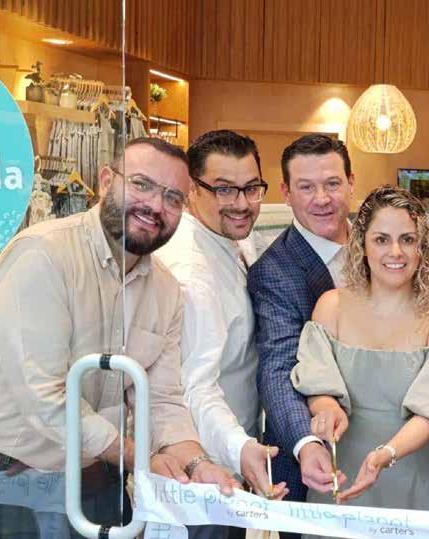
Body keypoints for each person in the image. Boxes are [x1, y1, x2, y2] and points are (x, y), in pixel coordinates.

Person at [0, 138, 239, 537]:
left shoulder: (166, 290)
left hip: (93, 478)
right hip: (1, 480)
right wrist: (137, 457)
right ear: (106, 181)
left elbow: (162, 398)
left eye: (173, 198)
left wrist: (196, 463)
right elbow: (44, 395)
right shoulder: (42, 256)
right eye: (141, 184)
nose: (155, 206)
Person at [290, 186, 429, 516]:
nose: (395, 252)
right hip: (343, 478)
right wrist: (326, 407)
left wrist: (386, 454)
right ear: (362, 245)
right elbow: (317, 383)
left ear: (422, 247)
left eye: (407, 239)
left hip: (424, 485)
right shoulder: (331, 307)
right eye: (382, 239)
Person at [155, 131, 288, 505]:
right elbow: (192, 386)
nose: (242, 204)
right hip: (202, 475)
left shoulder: (229, 237)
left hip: (229, 460)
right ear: (192, 189)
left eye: (251, 188)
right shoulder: (192, 273)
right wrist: (239, 448)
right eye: (225, 190)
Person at [247, 135, 354, 528]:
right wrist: (306, 442)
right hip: (315, 458)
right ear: (286, 193)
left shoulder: (381, 246)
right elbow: (278, 369)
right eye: (306, 187)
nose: (322, 199)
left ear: (351, 183)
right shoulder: (274, 271)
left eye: (332, 183)